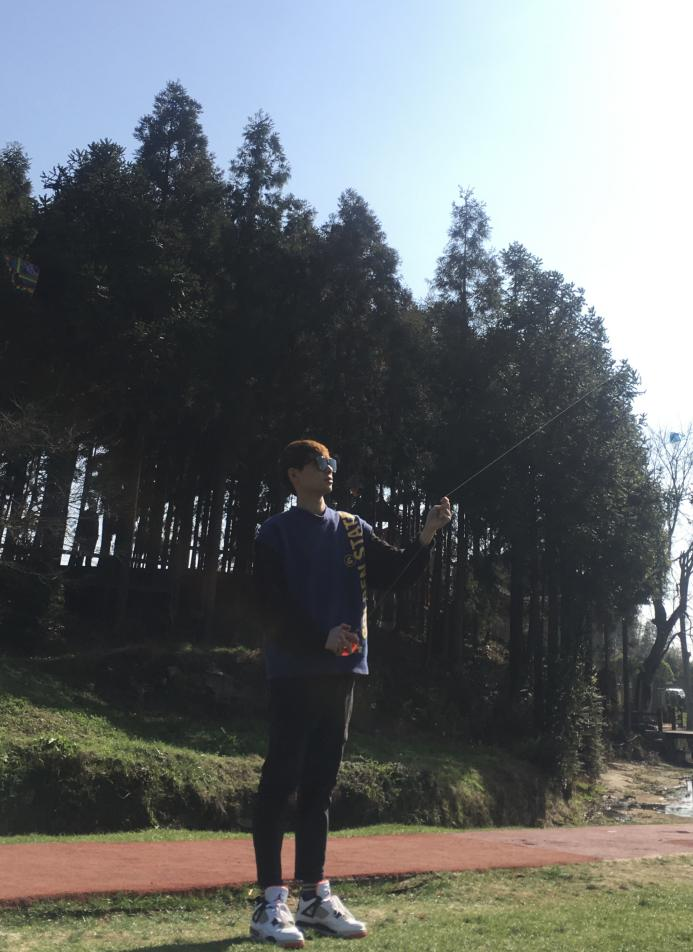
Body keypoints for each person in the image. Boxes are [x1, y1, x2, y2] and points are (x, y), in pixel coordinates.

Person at [250, 438, 451, 947]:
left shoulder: (353, 528)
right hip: (293, 672)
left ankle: (314, 897)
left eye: (332, 462)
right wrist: (320, 636)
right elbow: (270, 605)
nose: (330, 469)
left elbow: (396, 574)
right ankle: (269, 902)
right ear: (294, 475)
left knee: (320, 787)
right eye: (320, 463)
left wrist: (427, 534)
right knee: (280, 782)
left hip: (341, 675)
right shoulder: (273, 532)